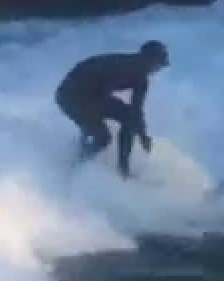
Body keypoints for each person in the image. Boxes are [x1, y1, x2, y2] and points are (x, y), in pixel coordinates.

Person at [55, 40, 169, 179]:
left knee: (128, 118)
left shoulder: (141, 79)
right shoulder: (121, 65)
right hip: (70, 95)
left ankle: (122, 170)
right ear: (147, 58)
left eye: (158, 67)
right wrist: (88, 128)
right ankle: (72, 167)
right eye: (157, 65)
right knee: (103, 137)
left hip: (91, 96)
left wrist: (143, 135)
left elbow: (136, 111)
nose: (155, 70)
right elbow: (91, 81)